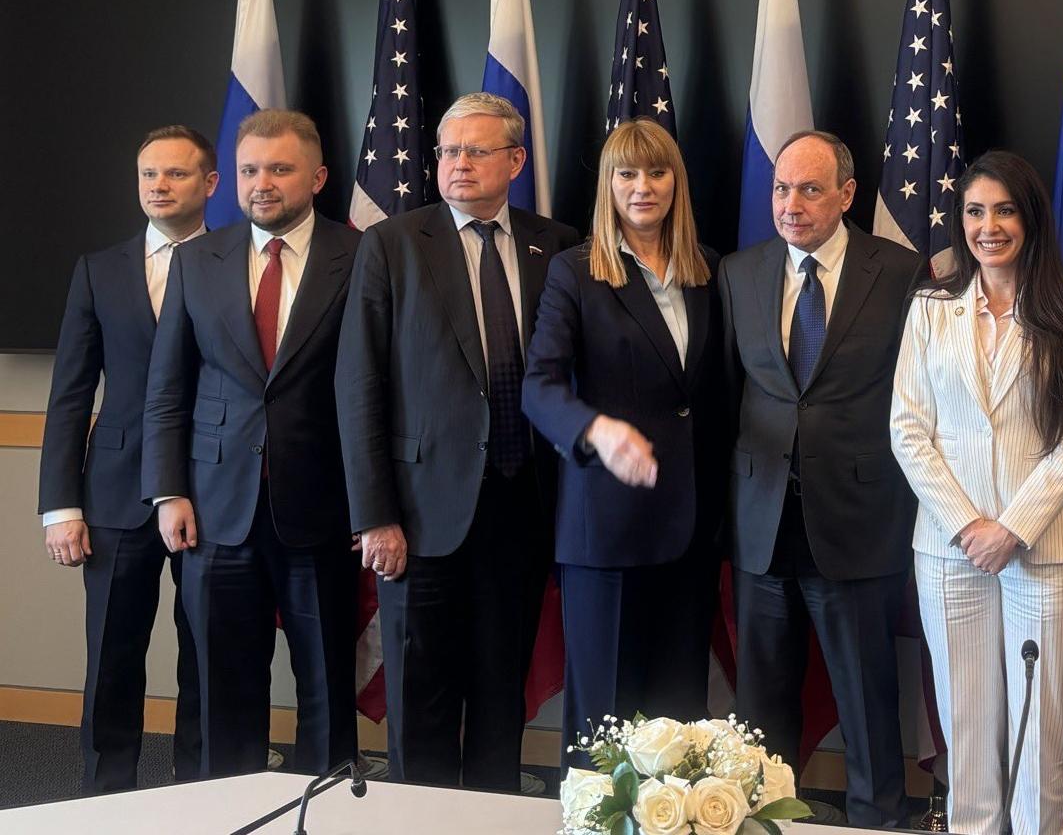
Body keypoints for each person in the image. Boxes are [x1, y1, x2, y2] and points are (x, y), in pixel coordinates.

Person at [337, 92, 580, 790]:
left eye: (477, 151)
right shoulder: (392, 243)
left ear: (516, 160)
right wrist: (373, 515)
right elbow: (359, 386)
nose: (459, 165)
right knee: (422, 695)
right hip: (418, 514)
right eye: (448, 151)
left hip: (524, 508)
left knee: (503, 692)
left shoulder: (555, 245)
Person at [141, 109, 361, 778]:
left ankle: (323, 815)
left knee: (326, 684)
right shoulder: (196, 260)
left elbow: (377, 388)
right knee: (221, 688)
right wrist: (168, 491)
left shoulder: (361, 256)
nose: (261, 182)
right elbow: (168, 387)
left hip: (321, 509)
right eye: (248, 170)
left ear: (317, 176)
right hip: (213, 509)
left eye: (279, 168)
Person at [890, 150, 1063, 835]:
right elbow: (907, 429)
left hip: (1047, 550)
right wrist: (966, 526)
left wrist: (1010, 528)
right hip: (950, 554)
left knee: (1040, 735)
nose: (988, 226)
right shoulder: (930, 307)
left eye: (1004, 209)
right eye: (976, 211)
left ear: (1030, 217)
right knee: (967, 728)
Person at [719, 129, 920, 828]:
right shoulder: (740, 272)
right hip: (760, 526)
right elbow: (724, 397)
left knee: (868, 702)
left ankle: (878, 822)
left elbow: (917, 398)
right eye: (781, 188)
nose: (791, 203)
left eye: (809, 188)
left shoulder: (899, 273)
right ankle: (766, 820)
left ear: (847, 193)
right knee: (761, 707)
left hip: (860, 523)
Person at [522, 118, 727, 760]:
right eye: (627, 173)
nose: (643, 187)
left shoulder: (710, 272)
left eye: (657, 172)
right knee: (604, 732)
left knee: (678, 723)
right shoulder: (575, 272)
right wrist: (596, 429)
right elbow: (539, 385)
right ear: (608, 185)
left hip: (690, 531)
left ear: (677, 183)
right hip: (605, 530)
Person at [40, 125, 212, 791]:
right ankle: (103, 796)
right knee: (112, 657)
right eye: (149, 175)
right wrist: (61, 506)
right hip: (112, 493)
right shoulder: (98, 269)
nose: (160, 186)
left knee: (204, 657)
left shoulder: (238, 261)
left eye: (175, 174)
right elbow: (69, 395)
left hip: (213, 489)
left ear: (210, 184)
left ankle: (202, 791)